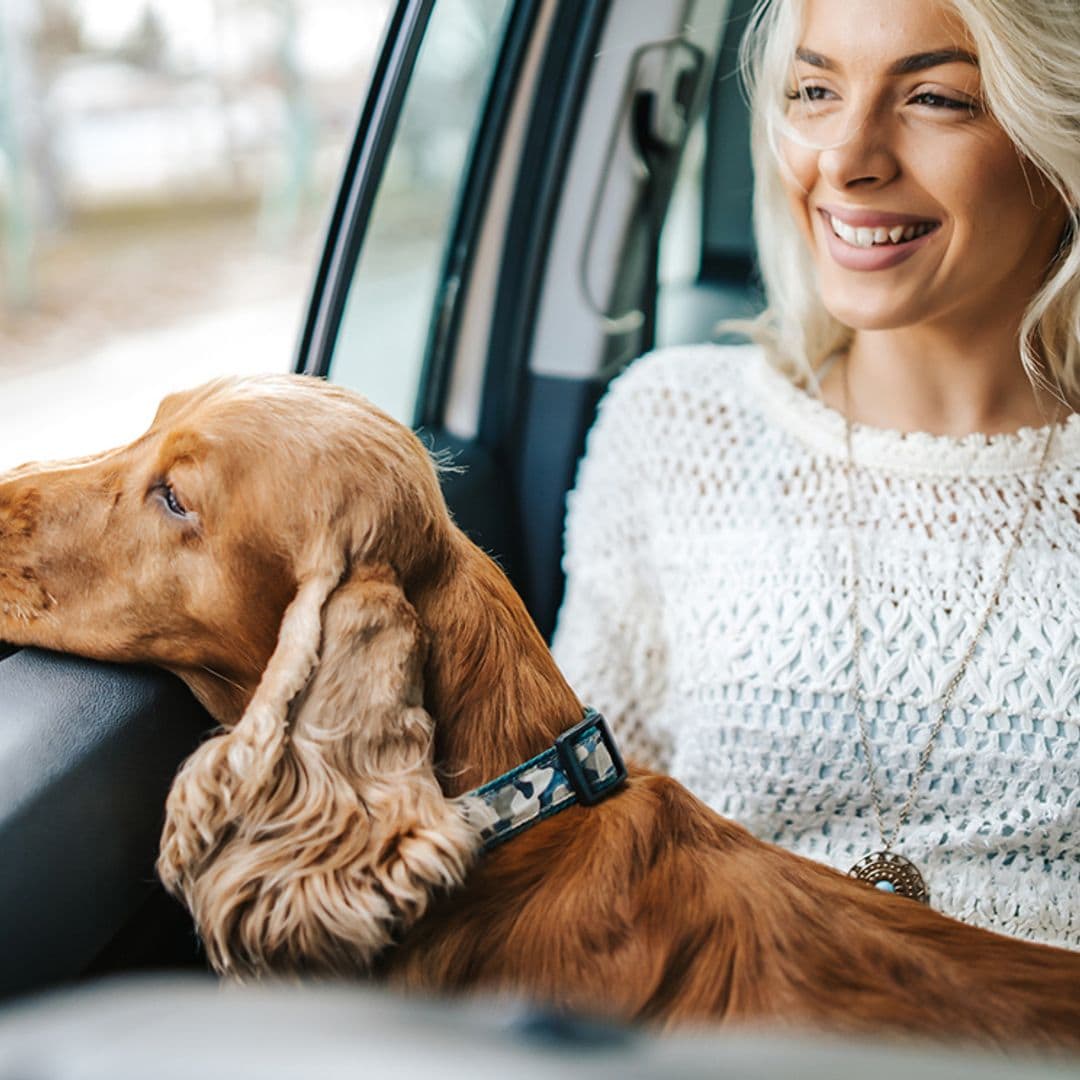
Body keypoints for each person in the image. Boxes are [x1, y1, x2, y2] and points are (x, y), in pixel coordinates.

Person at [552, 0, 1079, 951]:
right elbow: (578, 836)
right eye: (814, 90)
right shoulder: (674, 427)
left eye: (935, 97)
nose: (846, 158)